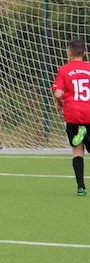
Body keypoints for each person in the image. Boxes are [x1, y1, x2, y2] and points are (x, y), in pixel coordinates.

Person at [52, 38, 90, 196]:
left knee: (77, 150)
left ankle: (81, 187)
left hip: (72, 112)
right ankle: (86, 137)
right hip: (88, 111)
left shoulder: (64, 70)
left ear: (69, 53)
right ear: (84, 53)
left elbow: (58, 93)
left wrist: (60, 103)